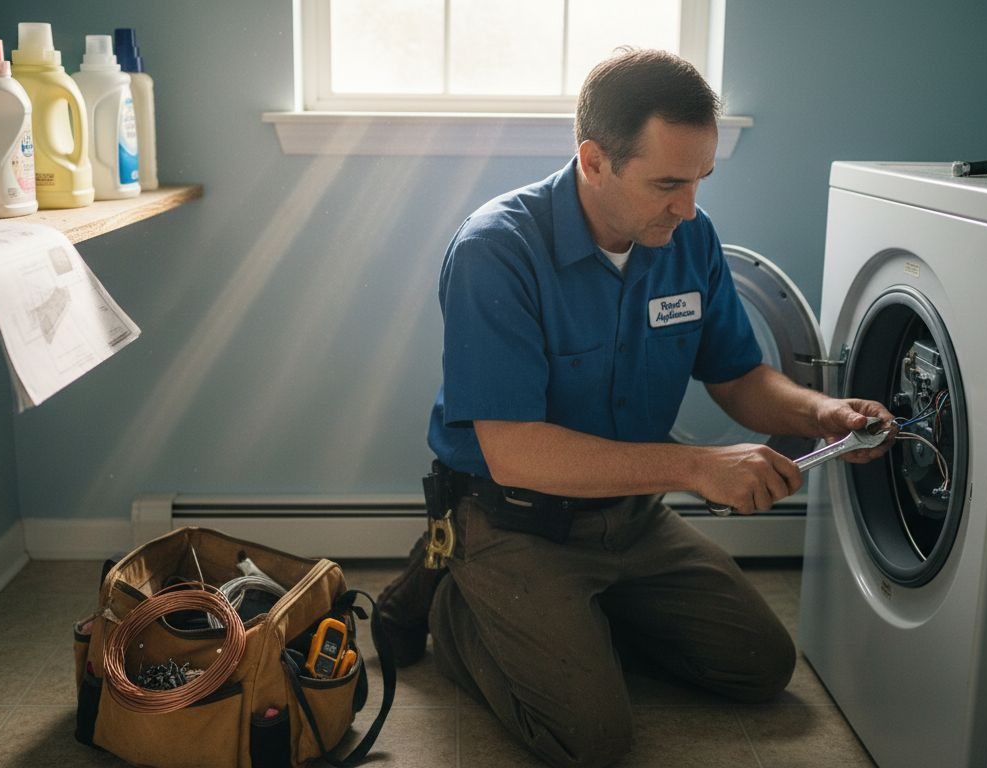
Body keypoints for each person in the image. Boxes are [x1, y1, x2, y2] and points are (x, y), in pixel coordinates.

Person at [377, 48, 894, 768]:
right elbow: (514, 451)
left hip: (634, 518)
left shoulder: (691, 240)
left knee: (760, 666)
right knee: (590, 742)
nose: (689, 206)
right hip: (514, 519)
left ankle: (578, 620)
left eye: (700, 180)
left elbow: (737, 376)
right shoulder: (497, 251)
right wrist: (698, 467)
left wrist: (822, 414)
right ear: (593, 161)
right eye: (668, 183)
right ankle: (455, 607)